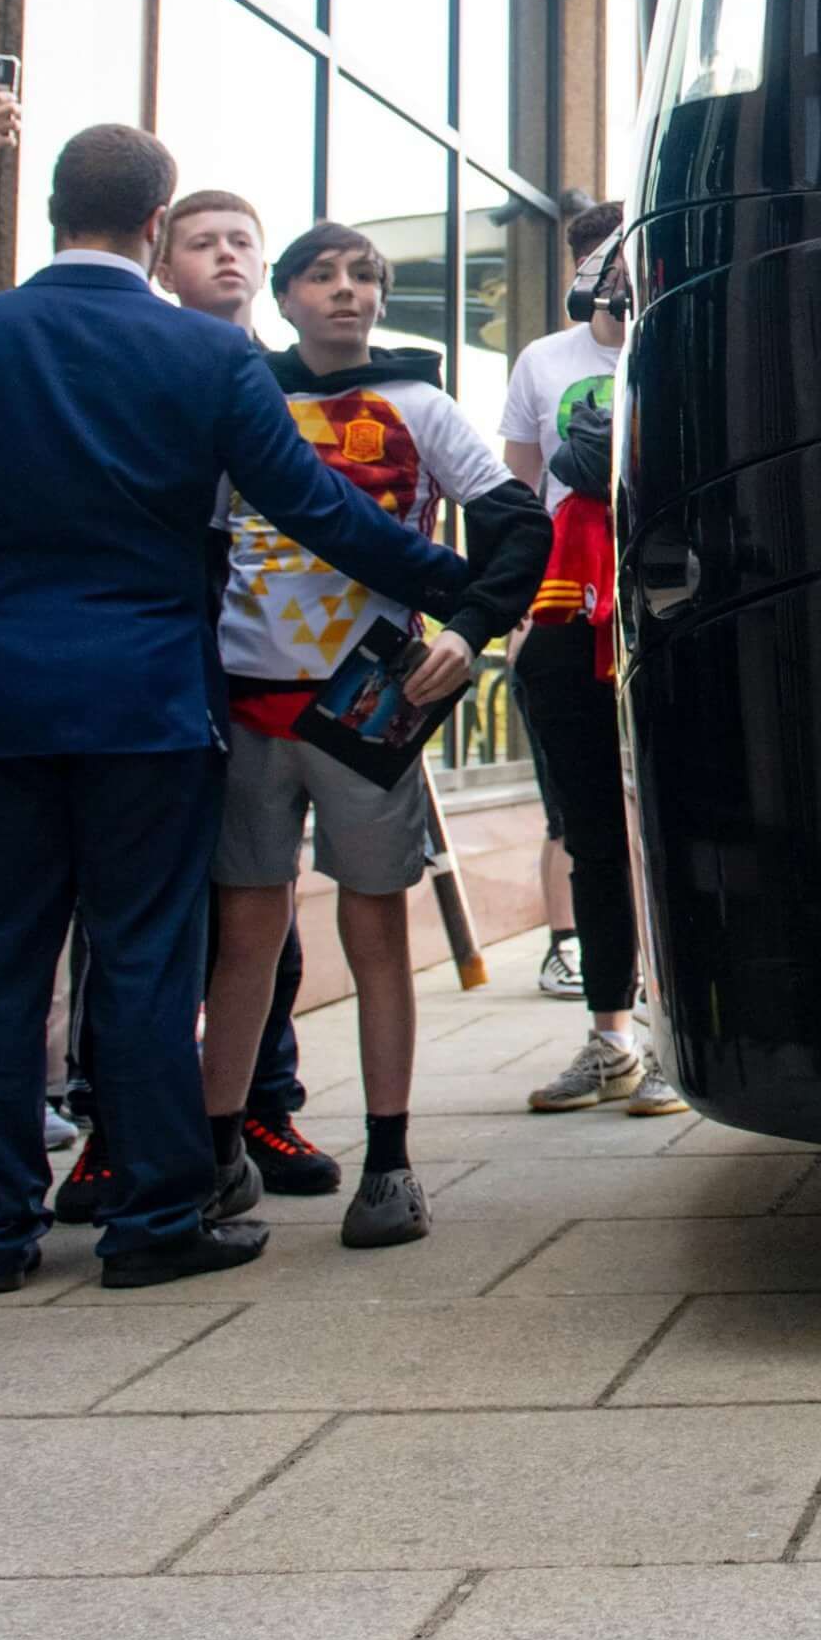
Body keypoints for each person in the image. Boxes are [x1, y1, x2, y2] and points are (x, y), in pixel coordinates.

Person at [0, 125, 475, 1292]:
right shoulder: (203, 358)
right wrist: (463, 590)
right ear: (155, 220)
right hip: (148, 703)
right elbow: (317, 511)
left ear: (51, 212)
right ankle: (153, 1222)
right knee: (139, 961)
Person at [195, 222, 548, 1248]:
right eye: (321, 274)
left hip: (369, 709)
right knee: (247, 936)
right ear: (285, 293)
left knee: (376, 928)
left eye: (364, 276)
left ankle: (390, 1160)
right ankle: (221, 1152)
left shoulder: (420, 406)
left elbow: (517, 523)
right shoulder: (240, 402)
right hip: (249, 701)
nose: (344, 291)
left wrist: (469, 630)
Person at [77, 186, 343, 1212]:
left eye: (243, 241)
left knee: (258, 911)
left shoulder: (290, 388)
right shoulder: (133, 363)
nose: (225, 255)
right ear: (160, 261)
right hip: (152, 670)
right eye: (202, 241)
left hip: (267, 683)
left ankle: (260, 1103)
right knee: (145, 916)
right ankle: (118, 1127)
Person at [501, 210, 683, 1117]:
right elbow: (521, 493)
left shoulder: (680, 344)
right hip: (569, 612)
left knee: (674, 818)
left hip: (663, 603)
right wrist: (516, 619)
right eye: (593, 257)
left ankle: (675, 1031)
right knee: (590, 832)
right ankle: (610, 1034)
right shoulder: (544, 360)